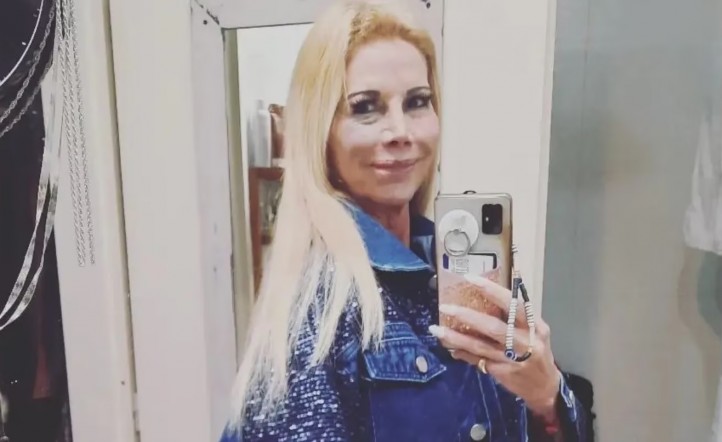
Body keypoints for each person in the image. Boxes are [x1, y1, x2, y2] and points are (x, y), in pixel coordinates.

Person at [221, 1, 588, 440]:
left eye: (417, 102)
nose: (401, 131)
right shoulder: (322, 308)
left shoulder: (457, 267)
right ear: (322, 132)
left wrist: (547, 397)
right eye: (365, 107)